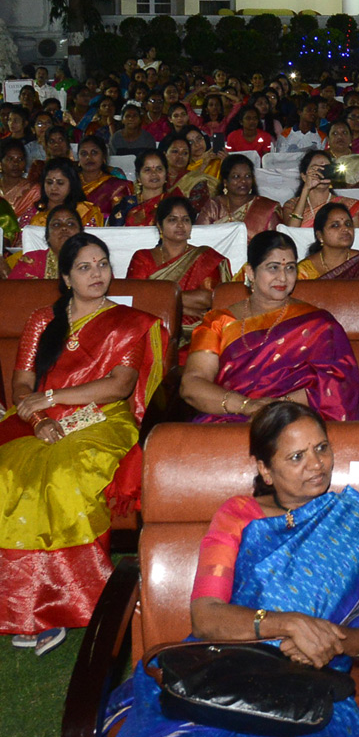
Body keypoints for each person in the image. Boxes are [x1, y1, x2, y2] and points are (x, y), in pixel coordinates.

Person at [105, 402, 359, 737]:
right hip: (224, 674)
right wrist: (287, 624)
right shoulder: (238, 516)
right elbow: (206, 616)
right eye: (296, 457)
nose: (316, 464)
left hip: (313, 691)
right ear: (266, 469)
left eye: (321, 448)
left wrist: (330, 641)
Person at [0, 234, 166, 651]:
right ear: (67, 277)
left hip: (103, 420)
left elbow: (118, 386)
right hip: (36, 420)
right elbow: (21, 384)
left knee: (61, 476)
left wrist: (53, 398)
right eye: (85, 267)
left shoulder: (129, 322)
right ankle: (25, 607)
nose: (97, 274)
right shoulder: (43, 321)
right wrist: (38, 419)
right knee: (8, 474)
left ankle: (61, 604)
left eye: (103, 264)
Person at [181, 231, 359, 423]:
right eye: (273, 268)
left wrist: (274, 408)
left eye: (290, 268)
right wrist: (247, 406)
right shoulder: (218, 322)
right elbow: (192, 384)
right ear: (250, 272)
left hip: (294, 419)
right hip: (229, 419)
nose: (283, 278)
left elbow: (336, 384)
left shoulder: (319, 324)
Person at [127, 196, 231, 336]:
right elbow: (137, 300)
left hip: (197, 333)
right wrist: (184, 309)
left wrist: (159, 299)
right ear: (159, 225)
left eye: (186, 220)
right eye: (172, 219)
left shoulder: (205, 256)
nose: (180, 225)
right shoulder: (142, 257)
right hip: (153, 330)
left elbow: (208, 298)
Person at [196, 154, 282, 239]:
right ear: (225, 182)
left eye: (248, 176)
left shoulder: (266, 208)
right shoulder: (214, 206)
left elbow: (275, 243)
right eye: (236, 177)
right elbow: (199, 238)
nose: (243, 181)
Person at [297, 202, 359, 280]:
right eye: (335, 225)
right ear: (320, 236)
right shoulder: (305, 269)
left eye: (348, 224)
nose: (345, 229)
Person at [281, 149, 359, 228]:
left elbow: (355, 238)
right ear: (304, 176)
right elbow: (291, 233)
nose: (321, 172)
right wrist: (306, 189)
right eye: (316, 169)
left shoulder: (349, 205)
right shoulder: (291, 205)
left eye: (326, 168)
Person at [7, 205, 83, 280]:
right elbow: (15, 290)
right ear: (48, 236)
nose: (64, 227)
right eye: (56, 224)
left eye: (70, 224)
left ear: (81, 233)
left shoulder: (92, 259)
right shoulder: (32, 260)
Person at [30, 158, 104, 228]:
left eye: (60, 183)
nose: (53, 188)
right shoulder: (34, 212)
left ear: (72, 184)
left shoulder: (85, 212)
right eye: (49, 182)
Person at [108, 149, 171, 227]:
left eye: (159, 169)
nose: (154, 173)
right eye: (147, 170)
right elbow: (113, 233)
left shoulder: (174, 204)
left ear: (166, 174)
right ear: (138, 177)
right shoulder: (127, 205)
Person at [77, 135, 133, 219]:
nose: (88, 157)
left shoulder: (117, 186)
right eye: (84, 153)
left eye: (94, 153)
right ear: (78, 157)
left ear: (103, 156)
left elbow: (120, 219)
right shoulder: (69, 183)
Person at [0, 137, 42, 227]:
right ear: (1, 163)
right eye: (10, 159)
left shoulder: (34, 191)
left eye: (20, 159)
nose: (16, 163)